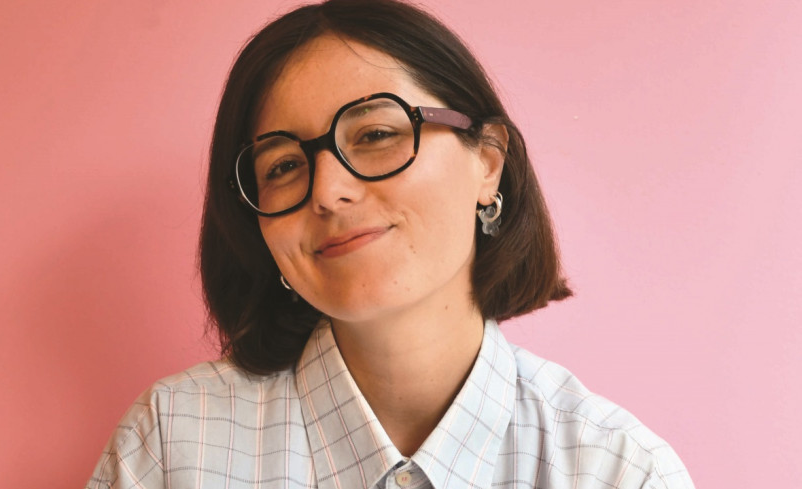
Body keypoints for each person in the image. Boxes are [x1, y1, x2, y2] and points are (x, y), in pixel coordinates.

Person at [87, 0, 694, 487]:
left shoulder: (620, 472)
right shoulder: (172, 445)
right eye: (283, 166)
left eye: (376, 133)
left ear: (487, 162)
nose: (329, 191)